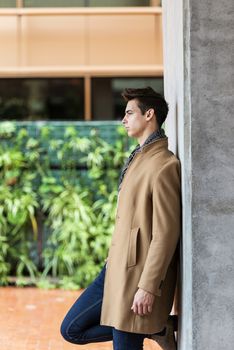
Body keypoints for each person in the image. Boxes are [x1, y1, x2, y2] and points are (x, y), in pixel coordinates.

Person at [60, 87, 181, 350]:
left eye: (129, 113)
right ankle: (159, 329)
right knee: (72, 328)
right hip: (114, 268)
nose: (123, 120)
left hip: (138, 276)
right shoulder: (138, 157)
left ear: (149, 115)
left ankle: (154, 326)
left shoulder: (164, 165)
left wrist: (148, 287)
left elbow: (166, 233)